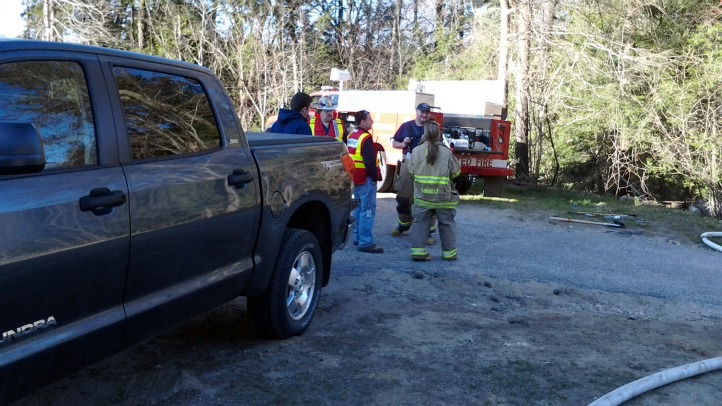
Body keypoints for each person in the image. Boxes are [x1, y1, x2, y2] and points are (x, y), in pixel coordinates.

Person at [407, 121, 461, 261]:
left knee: (420, 222)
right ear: (439, 134)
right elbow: (455, 173)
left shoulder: (416, 151)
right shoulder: (446, 152)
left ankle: (418, 252)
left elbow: (411, 172)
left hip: (422, 196)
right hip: (443, 196)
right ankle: (449, 254)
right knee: (446, 223)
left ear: (424, 134)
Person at [391, 102, 435, 243]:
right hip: (408, 165)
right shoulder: (406, 126)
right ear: (416, 112)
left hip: (426, 166)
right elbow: (394, 143)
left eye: (426, 112)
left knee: (426, 199)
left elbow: (440, 145)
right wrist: (403, 144)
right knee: (403, 198)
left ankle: (427, 232)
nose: (424, 115)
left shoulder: (431, 128)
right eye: (422, 112)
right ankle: (404, 224)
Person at [347, 110, 383, 253]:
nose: (372, 122)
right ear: (362, 122)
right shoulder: (365, 138)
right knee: (367, 210)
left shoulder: (352, 136)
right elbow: (369, 162)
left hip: (355, 178)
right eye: (369, 119)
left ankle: (357, 237)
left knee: (357, 208)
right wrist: (374, 179)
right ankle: (366, 242)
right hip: (365, 179)